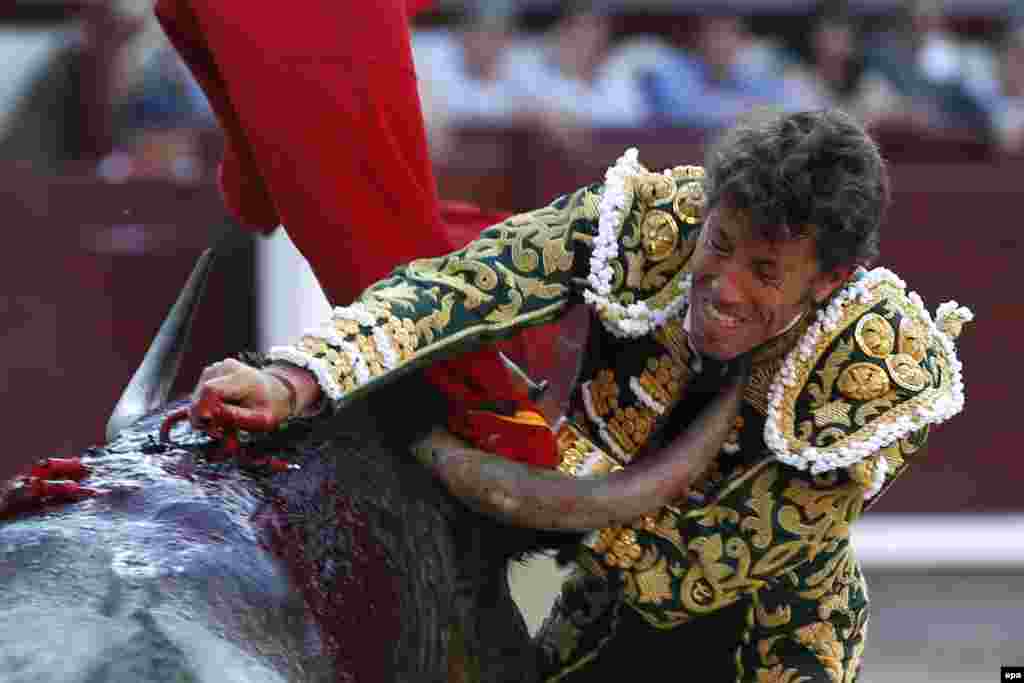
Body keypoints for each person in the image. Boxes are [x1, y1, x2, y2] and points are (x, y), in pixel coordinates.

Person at [157, 1, 973, 680]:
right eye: (719, 245)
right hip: (587, 590)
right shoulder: (656, 218)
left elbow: (684, 576)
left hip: (765, 645)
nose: (723, 284)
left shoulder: (877, 370)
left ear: (826, 281)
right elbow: (460, 287)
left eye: (765, 270)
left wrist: (517, 461)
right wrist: (305, 379)